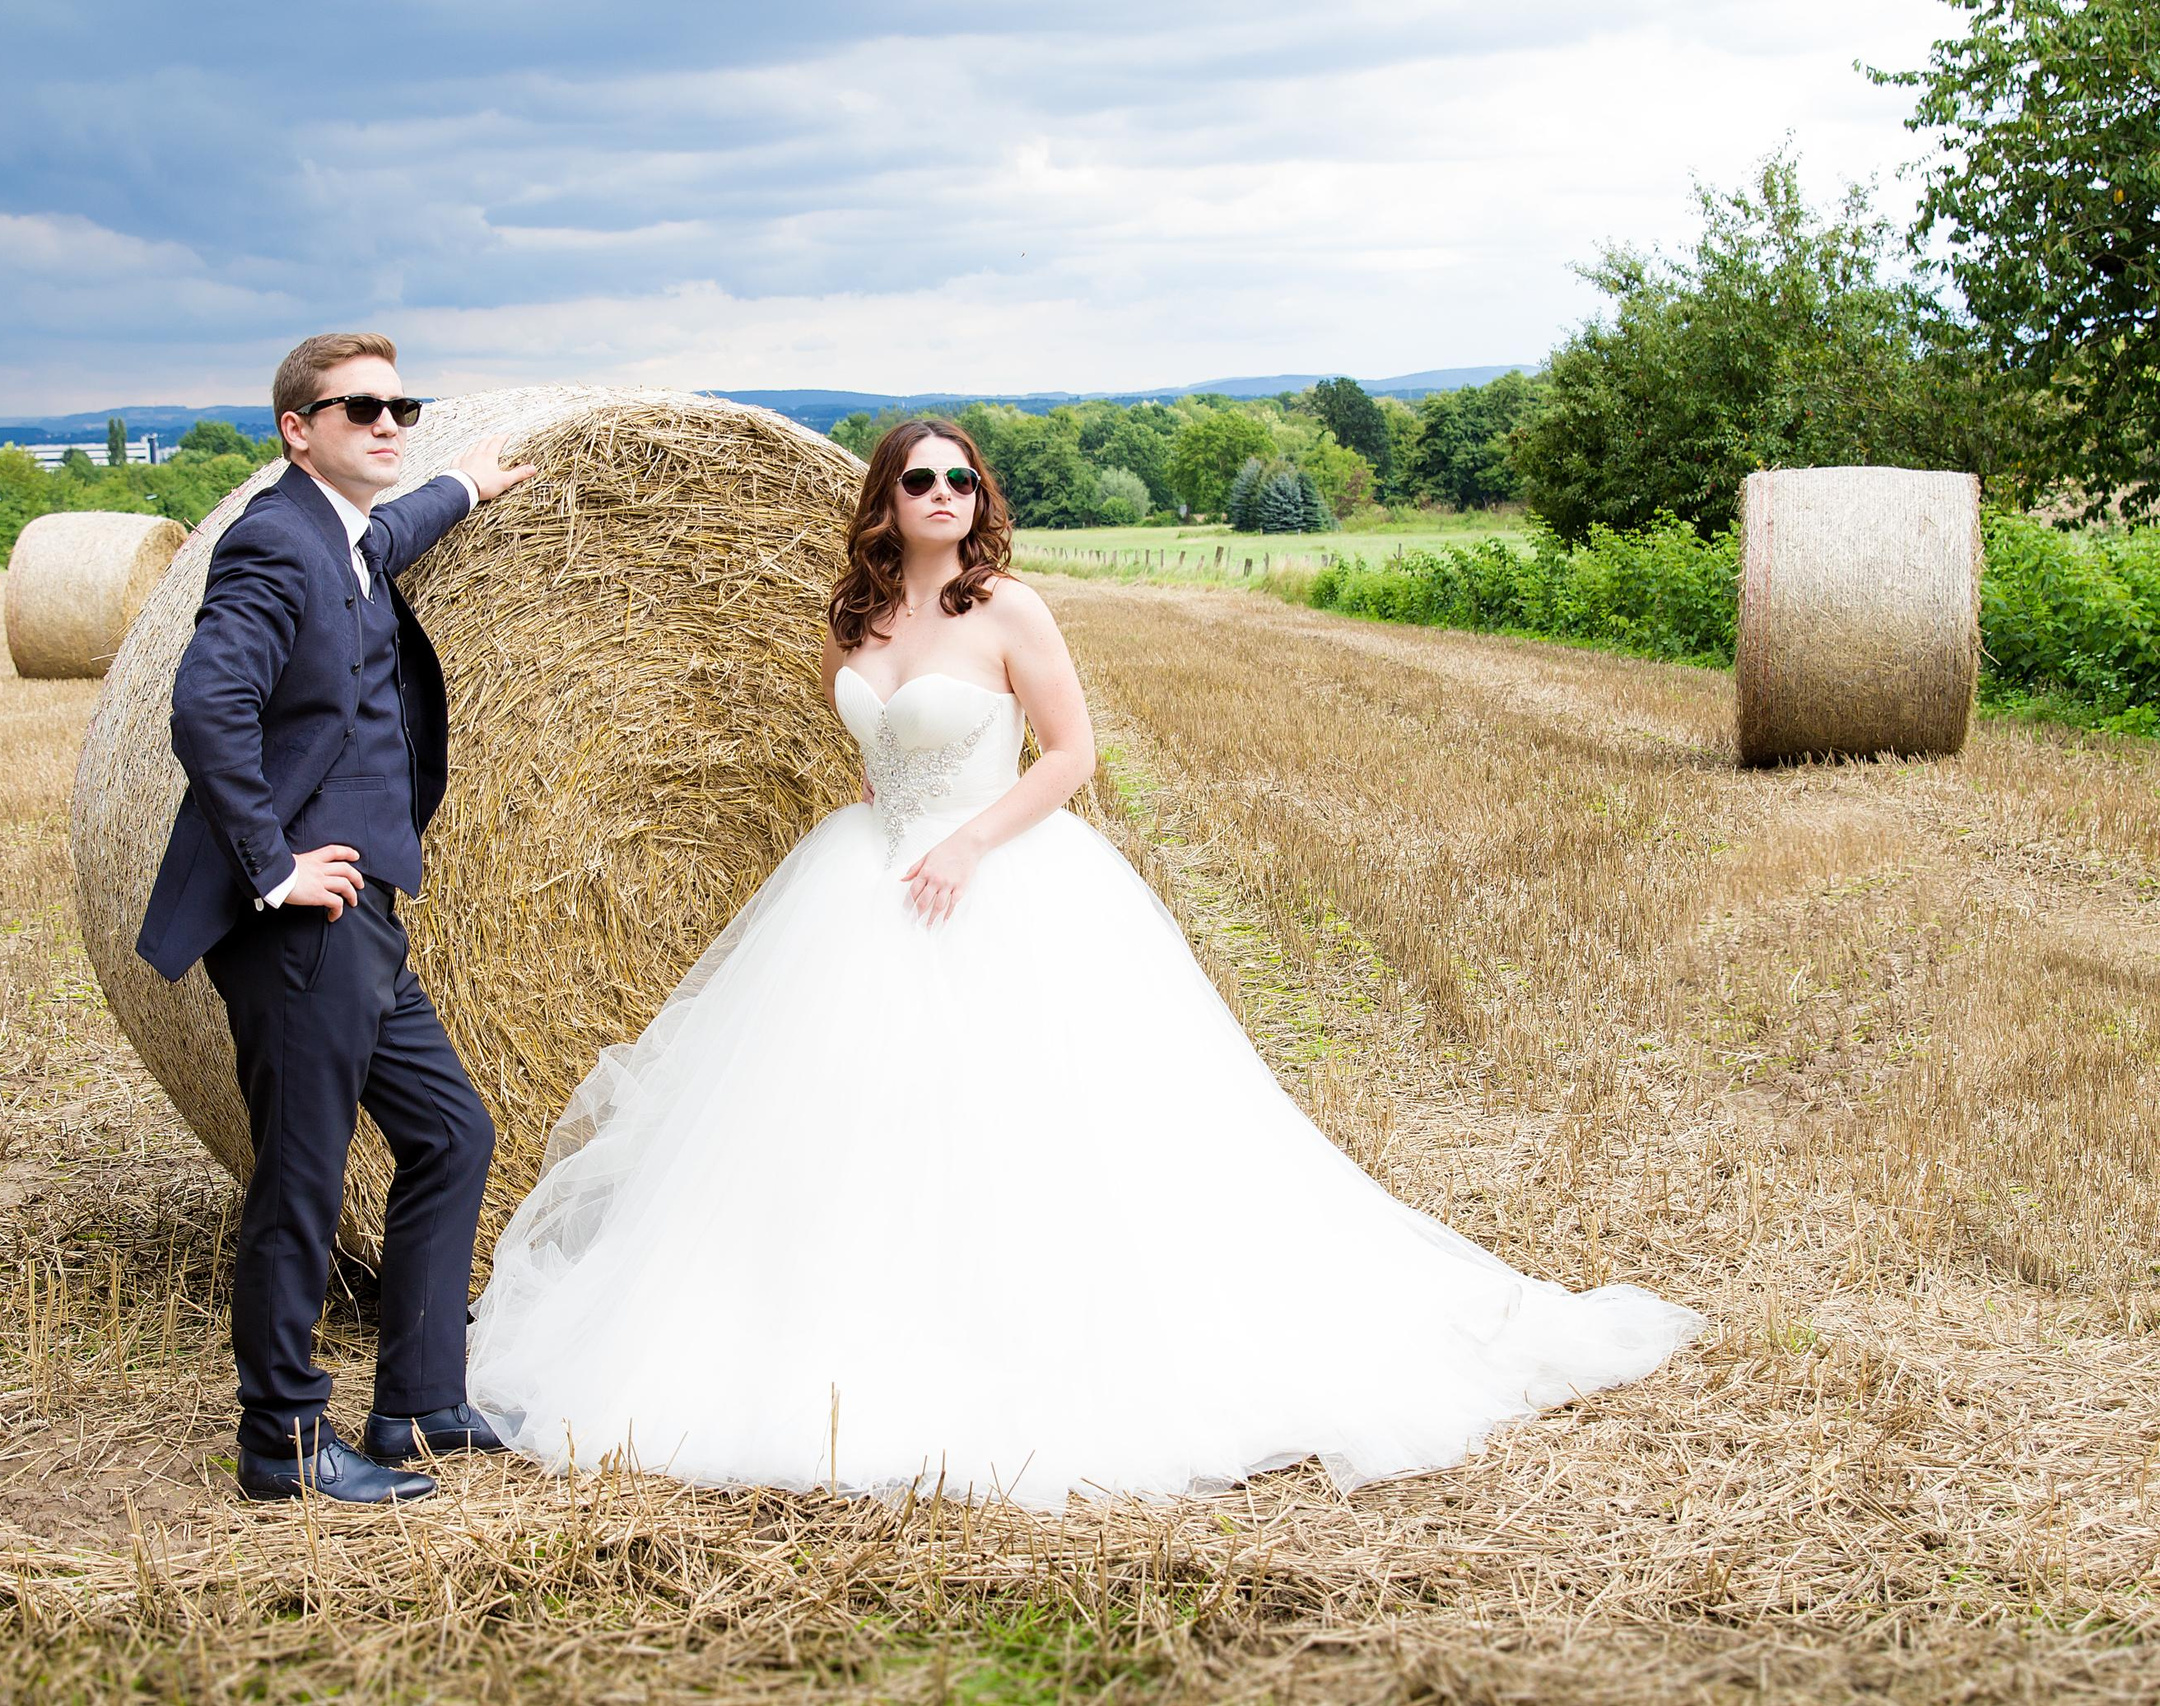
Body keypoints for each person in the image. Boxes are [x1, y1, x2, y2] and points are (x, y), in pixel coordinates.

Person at [465, 419, 1703, 1508]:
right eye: (918, 479)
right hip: (863, 873)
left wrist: (964, 843)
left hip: (994, 872)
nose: (943, 495)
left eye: (960, 479)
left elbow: (1068, 753)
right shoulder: (857, 613)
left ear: (978, 497)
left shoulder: (1007, 609)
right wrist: (885, 837)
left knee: (1034, 1118)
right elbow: (878, 751)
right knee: (843, 1122)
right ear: (886, 503)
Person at [135, 332, 534, 1503]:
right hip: (302, 923)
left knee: (452, 1129)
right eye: (357, 406)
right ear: (295, 430)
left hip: (362, 922)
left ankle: (418, 1397)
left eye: (400, 405)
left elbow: (391, 530)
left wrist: (465, 484)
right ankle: (285, 1442)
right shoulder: (272, 536)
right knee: (302, 1178)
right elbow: (206, 704)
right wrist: (273, 867)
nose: (387, 421)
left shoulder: (343, 531)